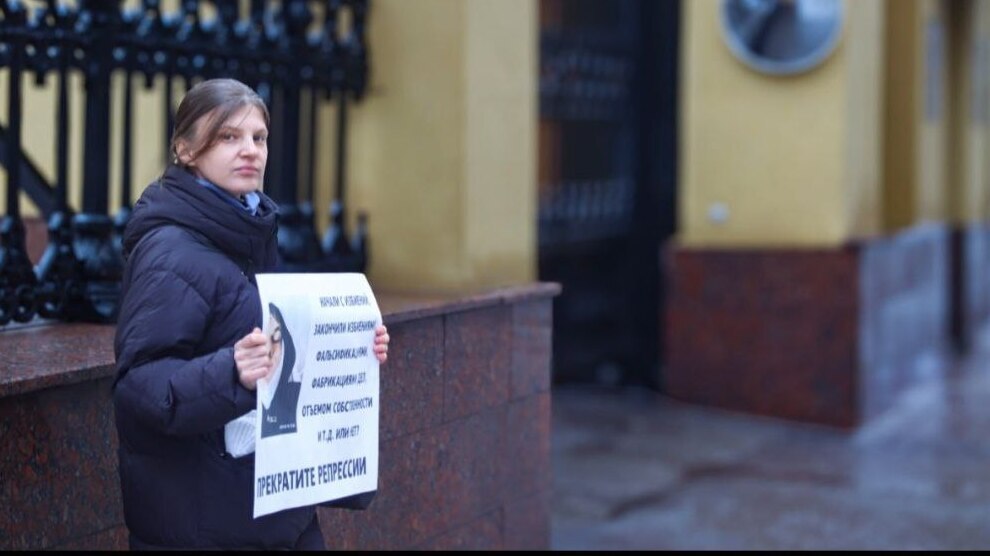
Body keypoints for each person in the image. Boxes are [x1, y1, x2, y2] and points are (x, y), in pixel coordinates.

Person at [112, 78, 390, 550]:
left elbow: (274, 346)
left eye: (258, 138)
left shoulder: (245, 229)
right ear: (185, 149)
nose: (250, 151)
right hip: (206, 524)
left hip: (274, 508)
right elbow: (139, 386)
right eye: (228, 137)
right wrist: (232, 375)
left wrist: (354, 348)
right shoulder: (170, 251)